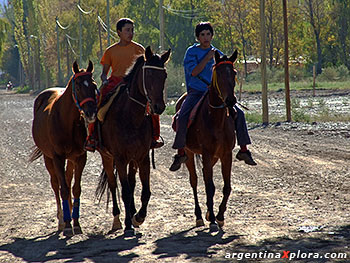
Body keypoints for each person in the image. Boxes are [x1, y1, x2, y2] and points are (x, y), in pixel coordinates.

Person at [169, 22, 256, 171]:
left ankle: (243, 150)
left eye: (208, 34)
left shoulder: (218, 53)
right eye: (202, 35)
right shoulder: (191, 52)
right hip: (196, 92)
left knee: (239, 114)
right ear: (198, 37)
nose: (206, 37)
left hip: (215, 93)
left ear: (212, 35)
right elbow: (194, 72)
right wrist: (207, 58)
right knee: (182, 116)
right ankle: (181, 152)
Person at [85, 18, 164, 152]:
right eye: (127, 30)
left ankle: (154, 137)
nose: (130, 33)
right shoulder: (110, 51)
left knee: (152, 106)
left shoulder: (139, 49)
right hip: (115, 82)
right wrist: (104, 81)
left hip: (134, 83)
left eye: (132, 30)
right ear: (119, 32)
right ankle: (92, 137)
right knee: (98, 104)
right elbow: (104, 73)